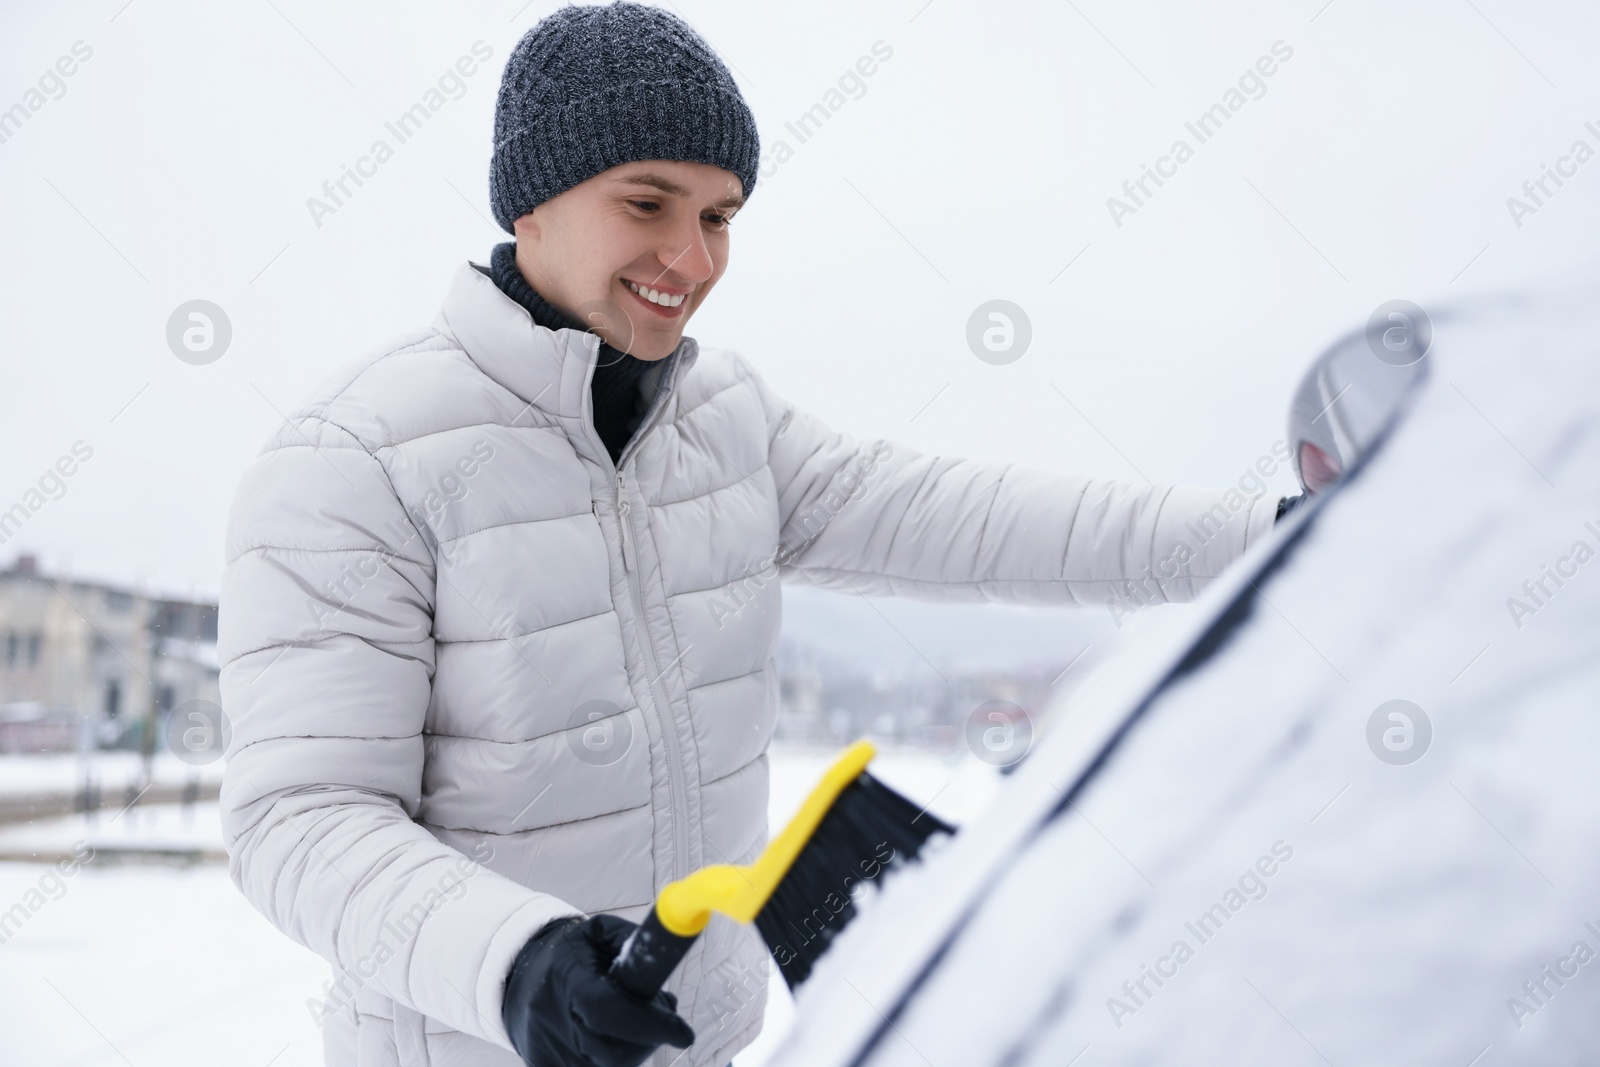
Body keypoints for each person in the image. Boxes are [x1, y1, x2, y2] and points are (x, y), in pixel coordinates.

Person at [216, 4, 1290, 1066]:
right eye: (648, 202)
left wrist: (1270, 535)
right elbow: (300, 816)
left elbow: (971, 519)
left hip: (696, 1044)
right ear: (531, 201)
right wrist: (517, 960)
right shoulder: (356, 456)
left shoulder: (726, 422)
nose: (690, 256)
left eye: (720, 216)